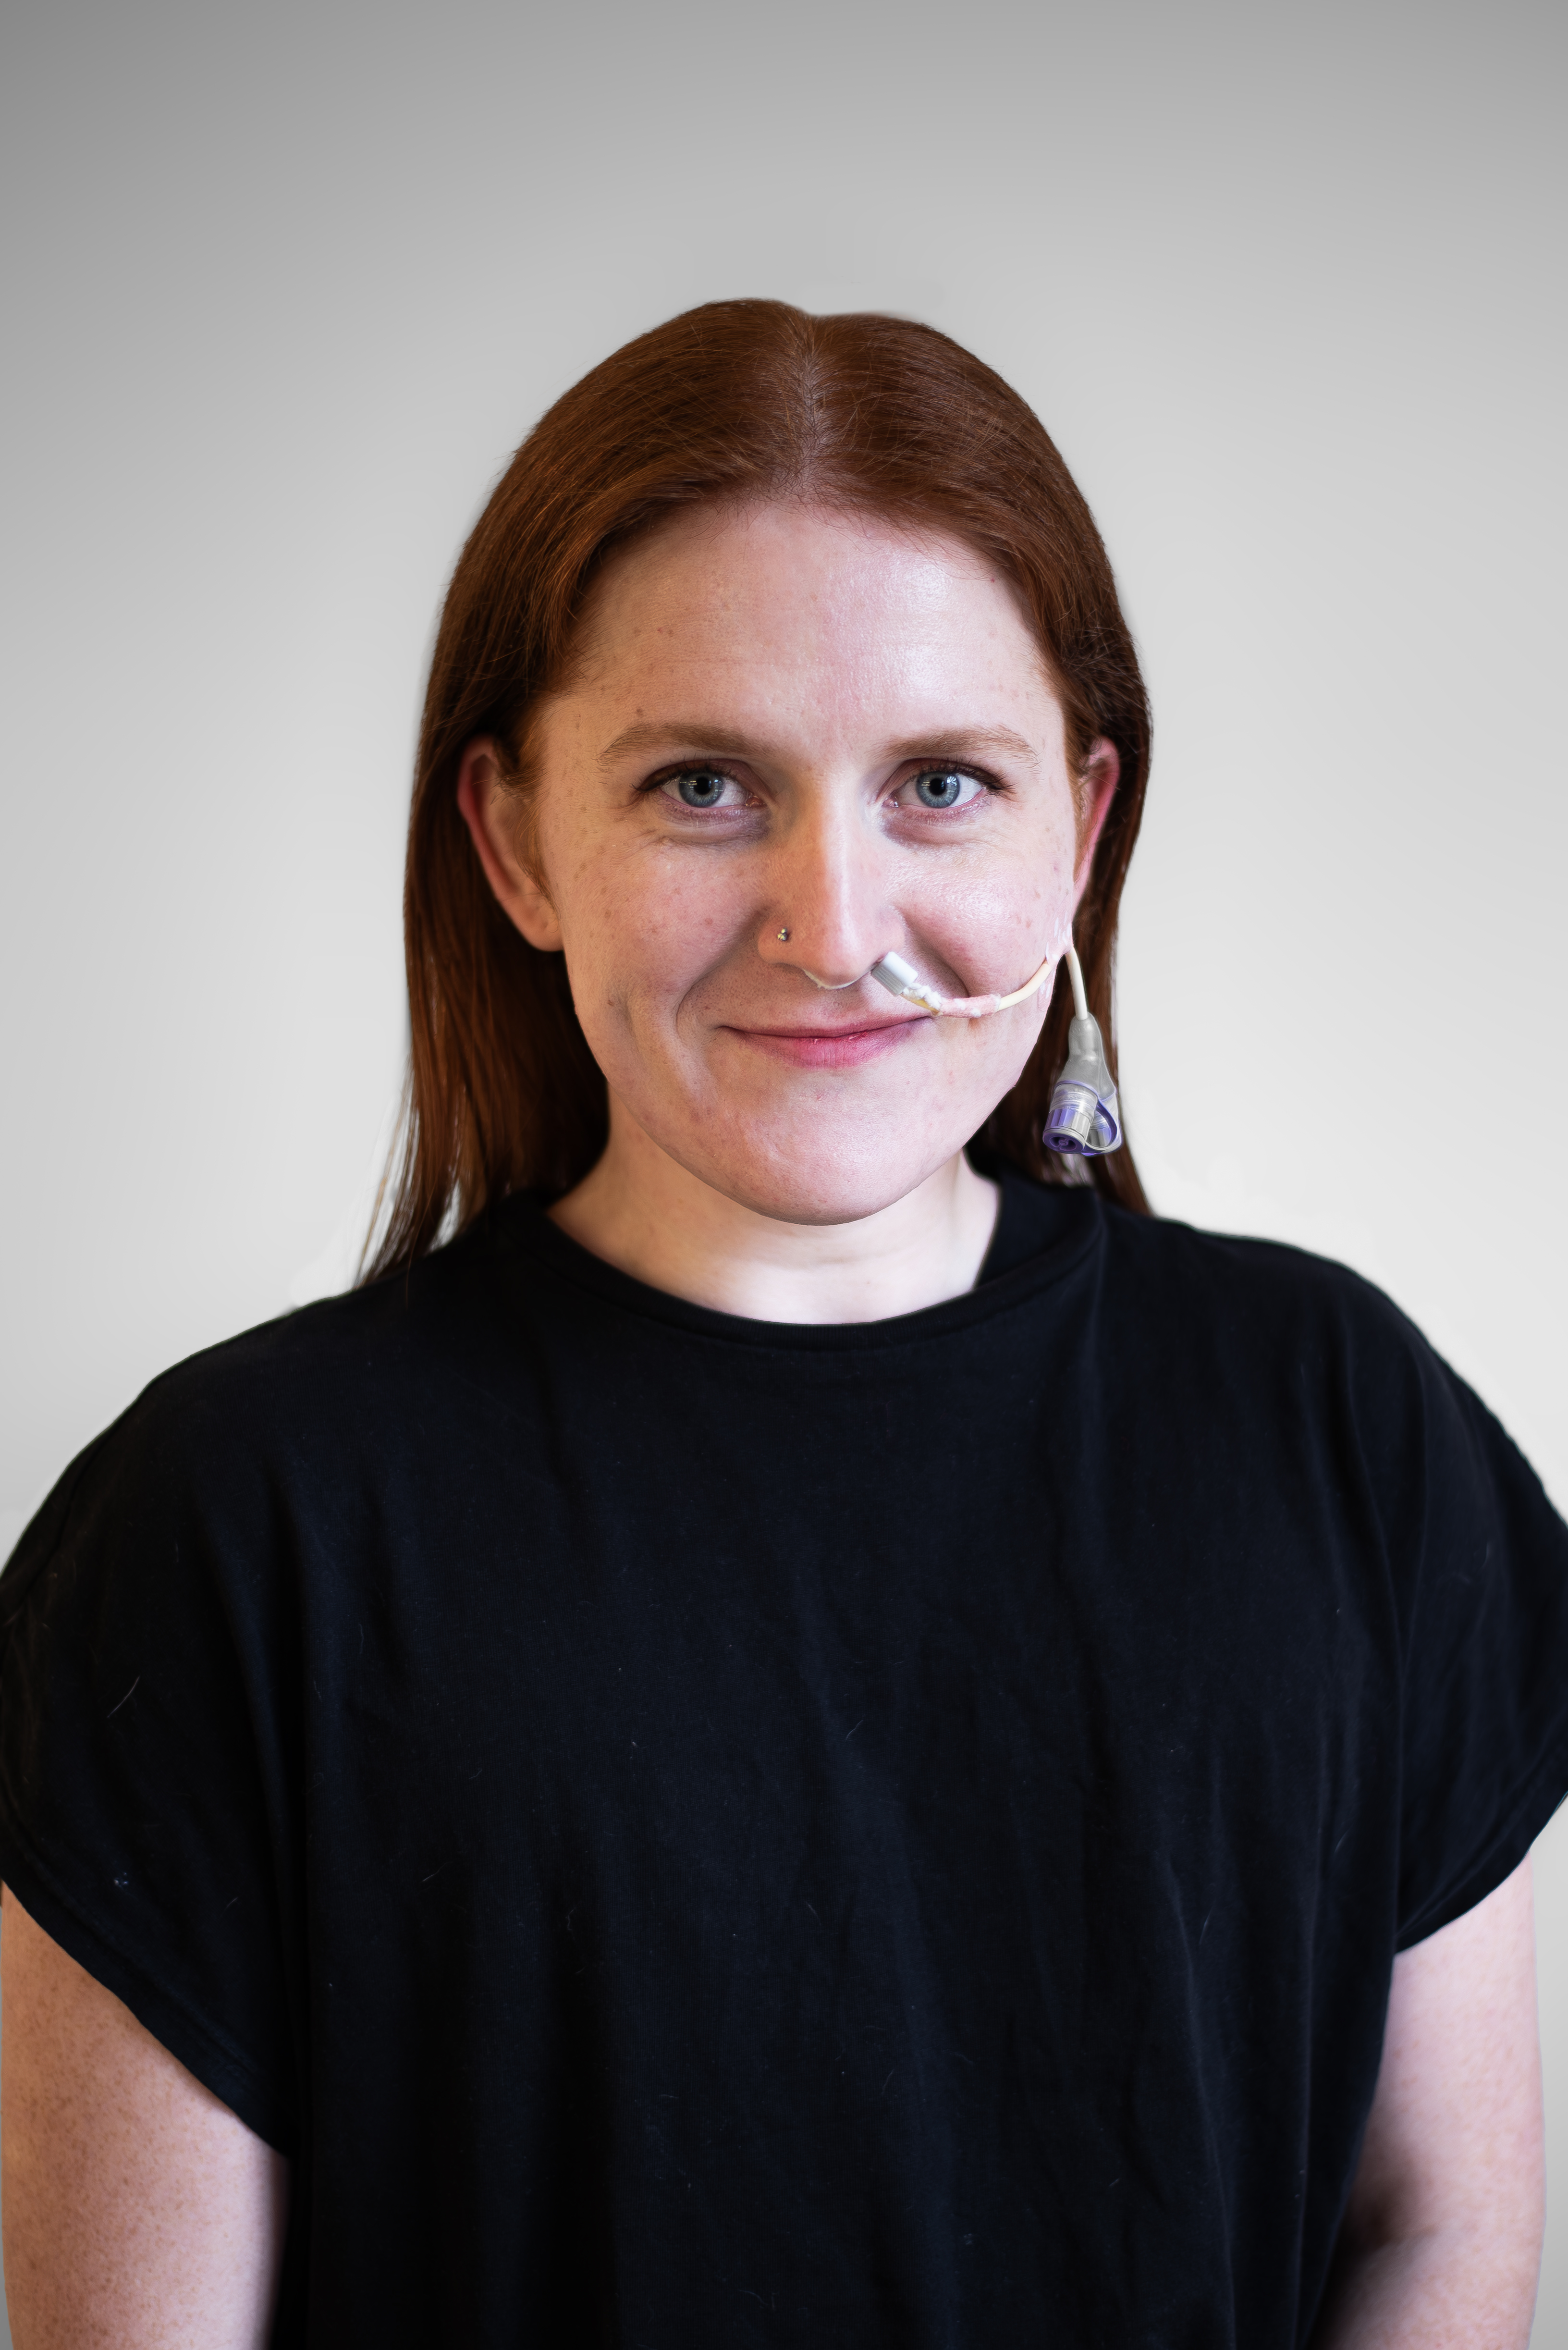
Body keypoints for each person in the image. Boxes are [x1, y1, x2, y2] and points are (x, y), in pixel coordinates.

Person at [1, 300, 1564, 2350]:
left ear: (1079, 829)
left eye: (941, 779)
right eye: (705, 784)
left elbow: (1434, 2230)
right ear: (514, 838)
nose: (835, 924)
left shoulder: (1347, 1427)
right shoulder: (226, 1528)